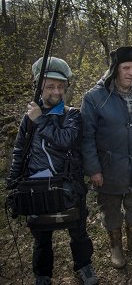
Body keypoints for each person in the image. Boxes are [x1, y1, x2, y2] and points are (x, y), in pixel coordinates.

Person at [6, 57, 97, 285]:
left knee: (78, 231)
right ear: (40, 87)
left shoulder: (72, 114)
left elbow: (66, 140)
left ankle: (84, 266)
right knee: (41, 236)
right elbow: (20, 149)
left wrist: (40, 120)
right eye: (50, 86)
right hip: (37, 185)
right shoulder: (29, 119)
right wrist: (13, 181)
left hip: (68, 183)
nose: (56, 91)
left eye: (60, 86)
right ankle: (43, 274)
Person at [81, 46, 132, 269]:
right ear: (115, 69)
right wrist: (94, 169)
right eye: (126, 67)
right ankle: (116, 246)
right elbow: (87, 138)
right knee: (111, 210)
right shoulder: (94, 98)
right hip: (108, 169)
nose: (131, 72)